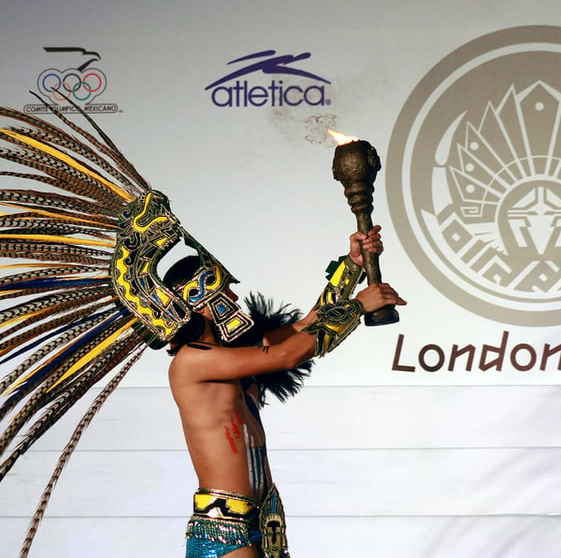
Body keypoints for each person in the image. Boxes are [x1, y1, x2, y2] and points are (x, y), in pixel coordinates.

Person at [165, 226, 405, 558]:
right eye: (225, 293)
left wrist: (353, 265)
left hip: (264, 522)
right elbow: (287, 355)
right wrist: (357, 308)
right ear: (202, 304)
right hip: (224, 532)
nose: (235, 299)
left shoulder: (233, 355)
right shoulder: (190, 362)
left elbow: (306, 326)